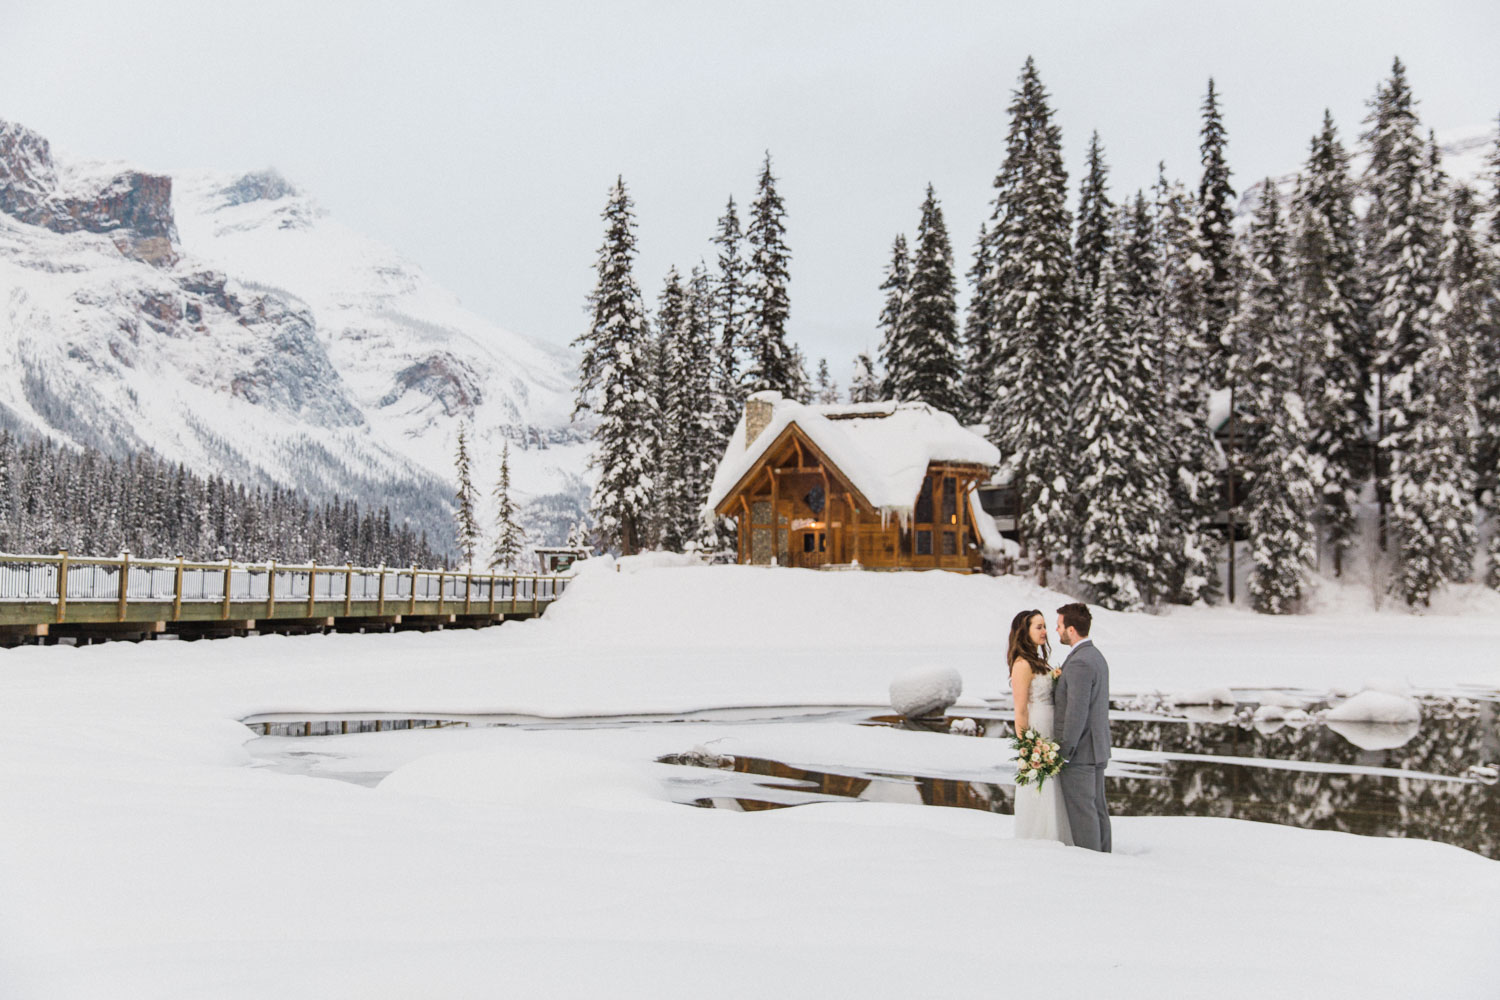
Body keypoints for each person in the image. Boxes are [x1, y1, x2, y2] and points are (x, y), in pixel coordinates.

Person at [1007, 609, 1072, 845]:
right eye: (1039, 627)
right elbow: (1021, 709)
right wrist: (1027, 745)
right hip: (1037, 729)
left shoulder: (1040, 661)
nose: (1045, 631)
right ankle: (1039, 835)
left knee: (1055, 782)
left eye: (1045, 626)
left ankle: (1059, 834)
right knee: (1041, 782)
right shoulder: (1022, 664)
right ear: (1025, 632)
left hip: (1050, 728)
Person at [1052, 602, 1112, 852]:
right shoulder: (1094, 655)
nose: (1056, 631)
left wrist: (1064, 752)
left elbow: (1076, 712)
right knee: (1097, 809)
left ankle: (1093, 864)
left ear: (1072, 630)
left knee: (1083, 813)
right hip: (1096, 748)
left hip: (1082, 752)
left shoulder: (1079, 663)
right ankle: (1105, 858)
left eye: (1059, 626)